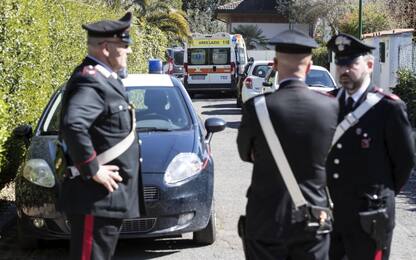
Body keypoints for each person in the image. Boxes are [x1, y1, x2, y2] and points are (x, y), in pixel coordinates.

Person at [237, 29, 339, 260]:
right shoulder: (330, 108)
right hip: (314, 219)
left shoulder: (257, 107)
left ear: (274, 64)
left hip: (266, 220)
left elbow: (245, 153)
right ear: (310, 67)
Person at [59, 12, 144, 260]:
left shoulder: (105, 80)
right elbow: (73, 124)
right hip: (93, 199)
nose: (128, 51)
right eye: (124, 45)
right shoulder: (91, 81)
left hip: (102, 201)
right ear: (106, 48)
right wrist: (92, 168)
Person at [326, 33, 415, 260]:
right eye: (340, 64)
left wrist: (381, 193)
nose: (344, 70)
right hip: (332, 214)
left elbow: (404, 162)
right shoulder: (327, 104)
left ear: (369, 65)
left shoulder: (388, 108)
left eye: (352, 64)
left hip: (371, 214)